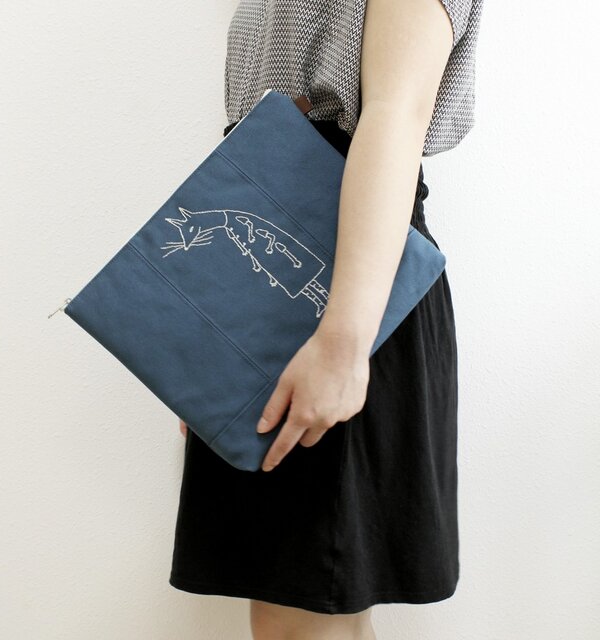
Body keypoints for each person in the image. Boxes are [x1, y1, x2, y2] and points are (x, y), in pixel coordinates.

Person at [170, 0, 484, 637]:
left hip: (340, 281)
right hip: (274, 276)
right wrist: (215, 335)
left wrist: (343, 341)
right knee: (292, 614)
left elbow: (395, 115)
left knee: (305, 617)